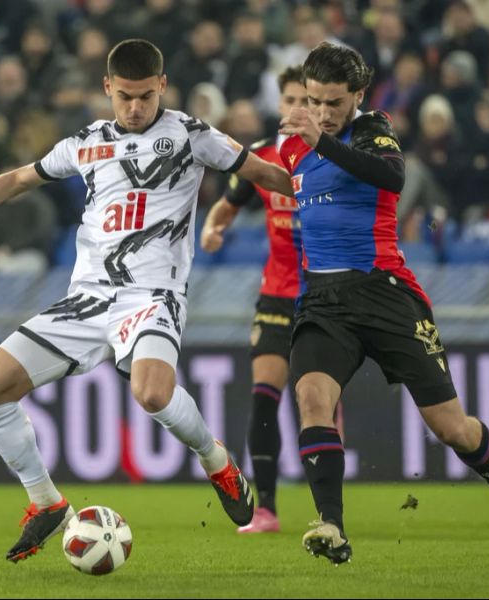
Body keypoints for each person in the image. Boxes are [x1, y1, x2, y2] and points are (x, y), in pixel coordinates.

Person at [0, 39, 294, 562]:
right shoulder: (86, 142)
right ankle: (45, 502)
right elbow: (21, 177)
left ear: (163, 87)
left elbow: (261, 173)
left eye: (146, 97)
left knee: (152, 394)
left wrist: (326, 195)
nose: (135, 108)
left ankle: (215, 458)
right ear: (107, 88)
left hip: (153, 295)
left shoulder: (191, 135)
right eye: (125, 96)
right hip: (87, 299)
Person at [277, 42, 489, 564]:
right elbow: (282, 177)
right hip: (324, 299)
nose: (324, 112)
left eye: (334, 102)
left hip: (385, 292)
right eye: (315, 101)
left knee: (452, 428)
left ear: (357, 95)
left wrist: (321, 140)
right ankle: (331, 525)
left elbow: (391, 177)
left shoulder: (373, 128)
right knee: (313, 396)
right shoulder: (293, 145)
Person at [200, 66, 306, 534]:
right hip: (278, 293)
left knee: (316, 403)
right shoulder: (262, 158)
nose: (298, 109)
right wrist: (212, 226)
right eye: (290, 100)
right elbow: (230, 200)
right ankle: (266, 509)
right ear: (279, 105)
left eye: (308, 100)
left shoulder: (339, 160)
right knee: (264, 397)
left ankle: (330, 512)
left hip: (329, 296)